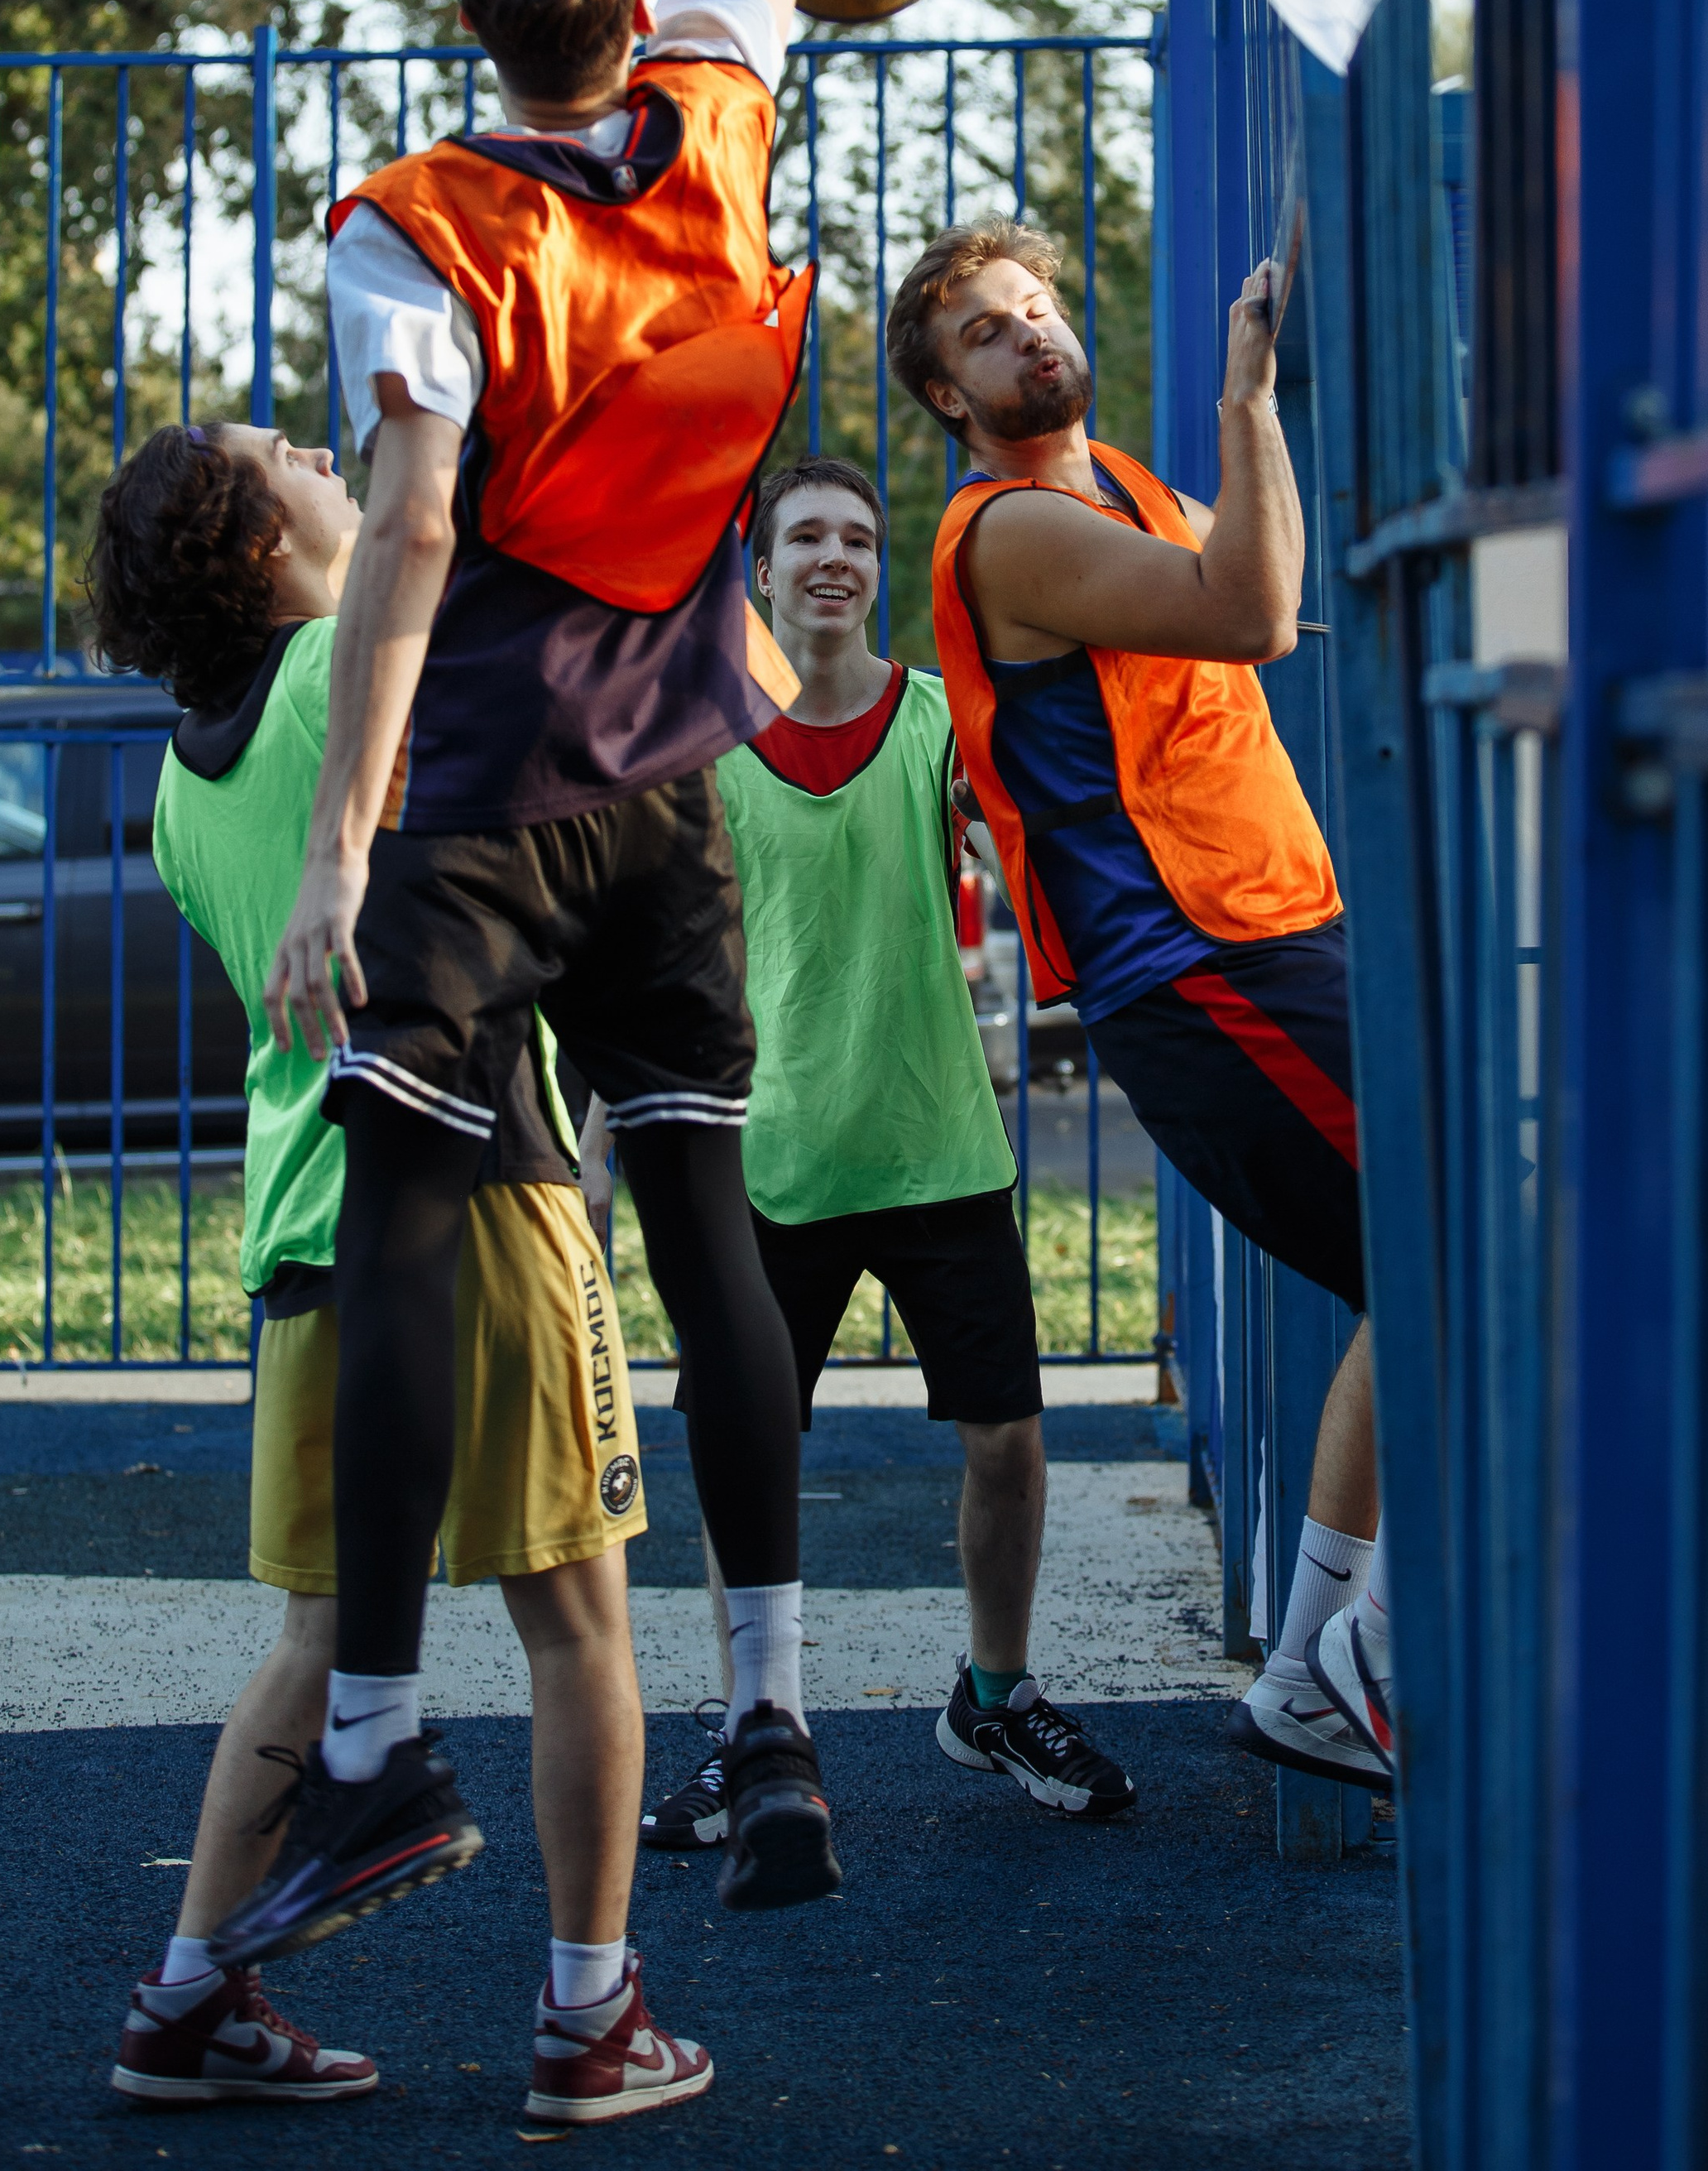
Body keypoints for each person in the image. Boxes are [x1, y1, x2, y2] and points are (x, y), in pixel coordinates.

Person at [221, 0, 834, 1976]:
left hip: (482, 781)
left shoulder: (417, 224)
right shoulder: (718, 118)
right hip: (671, 773)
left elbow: (418, 541)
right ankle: (776, 1706)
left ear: (470, 24)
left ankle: (368, 1742)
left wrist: (345, 852)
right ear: (634, 5)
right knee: (698, 1199)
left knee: (390, 1211)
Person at [86, 420, 703, 2123]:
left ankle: (191, 1996)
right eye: (276, 451)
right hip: (471, 1195)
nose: (311, 443)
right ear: (256, 538)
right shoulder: (338, 686)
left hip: (302, 1229)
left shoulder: (179, 781)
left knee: (317, 1636)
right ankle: (591, 2019)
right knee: (576, 1617)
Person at [885, 219, 1395, 1791]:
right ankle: (1364, 1652)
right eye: (984, 331)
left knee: (1427, 1279)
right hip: (1198, 975)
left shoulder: (1139, 498)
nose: (1028, 334)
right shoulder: (1009, 525)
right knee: (1466, 1269)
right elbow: (1250, 611)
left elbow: (1248, 597)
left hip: (1271, 934)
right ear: (950, 397)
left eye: (1034, 308)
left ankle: (1320, 1658)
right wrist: (1254, 393)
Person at [645, 456, 1133, 1849]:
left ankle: (994, 1691)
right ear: (762, 568)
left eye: (858, 538)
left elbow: (1039, 840)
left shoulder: (937, 725)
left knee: (1010, 1446)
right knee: (744, 1453)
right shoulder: (709, 749)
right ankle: (758, 1723)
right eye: (806, 536)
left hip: (936, 1144)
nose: (835, 558)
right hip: (775, 1160)